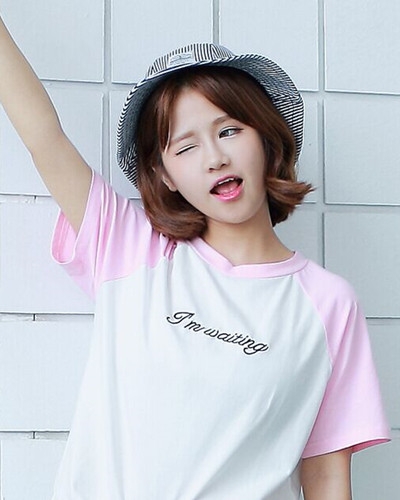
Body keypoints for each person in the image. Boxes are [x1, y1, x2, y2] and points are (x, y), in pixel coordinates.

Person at [0, 15, 390, 500]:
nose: (214, 157)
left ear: (267, 140)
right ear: (164, 175)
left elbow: (327, 476)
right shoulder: (130, 248)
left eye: (229, 131)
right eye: (185, 147)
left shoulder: (329, 303)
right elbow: (44, 137)